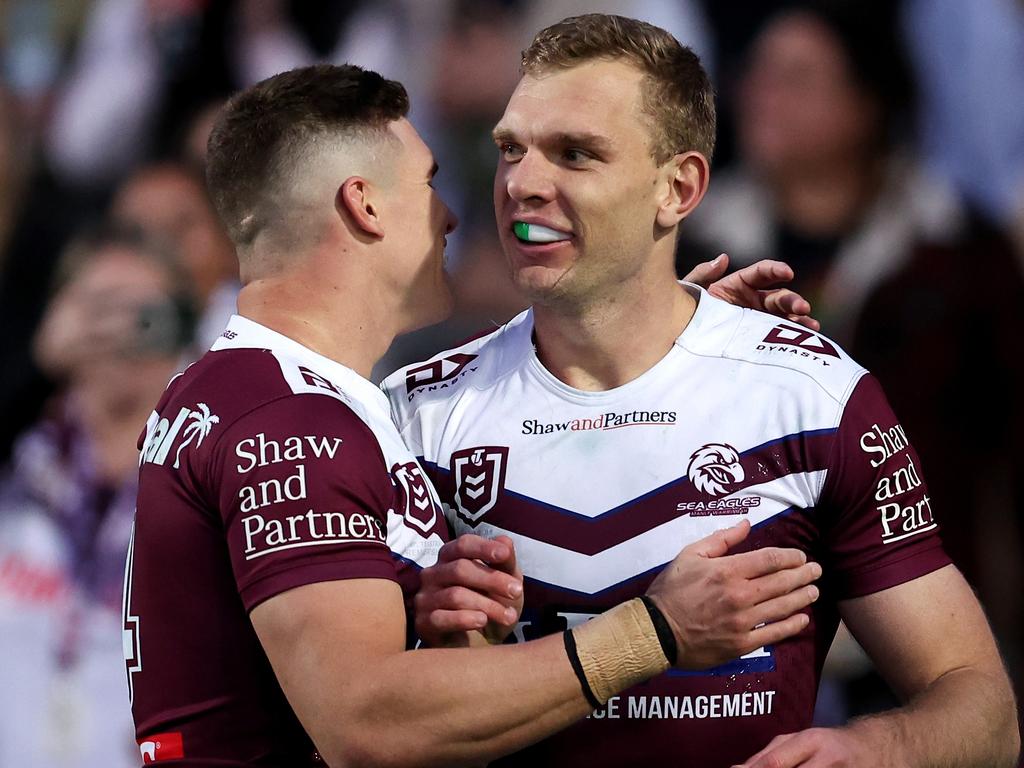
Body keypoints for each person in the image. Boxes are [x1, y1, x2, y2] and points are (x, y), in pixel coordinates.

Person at [126, 63, 823, 766]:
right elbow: (364, 719)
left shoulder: (247, 395)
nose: (452, 213)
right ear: (364, 205)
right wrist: (657, 630)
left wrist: (665, 334)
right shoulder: (293, 422)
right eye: (429, 182)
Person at [383, 14, 1020, 768]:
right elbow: (357, 722)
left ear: (677, 188)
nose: (522, 183)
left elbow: (984, 708)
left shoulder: (808, 396)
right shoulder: (415, 414)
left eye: (575, 154)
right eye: (510, 150)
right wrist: (420, 632)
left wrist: (878, 749)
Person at [0, 228, 196, 767]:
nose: (114, 332)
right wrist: (37, 371)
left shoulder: (205, 474)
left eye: (141, 314)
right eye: (95, 310)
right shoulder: (22, 457)